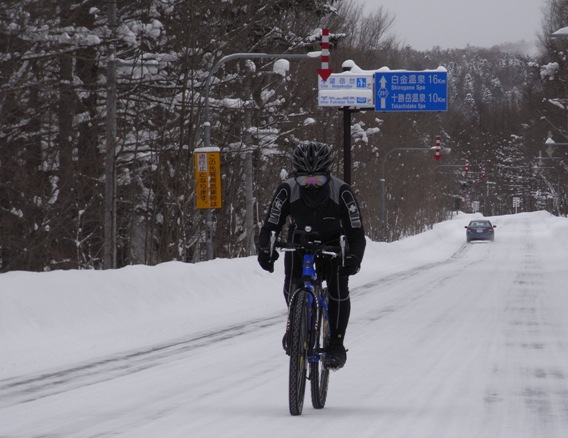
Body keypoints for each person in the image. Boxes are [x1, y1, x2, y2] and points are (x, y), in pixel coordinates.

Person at [257, 141, 366, 370]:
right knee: (291, 285)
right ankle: (295, 326)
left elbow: (356, 231)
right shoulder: (286, 190)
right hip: (300, 242)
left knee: (338, 288)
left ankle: (336, 342)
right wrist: (266, 250)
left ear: (328, 174)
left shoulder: (342, 191)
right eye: (305, 180)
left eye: (318, 179)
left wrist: (353, 258)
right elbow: (270, 225)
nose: (312, 185)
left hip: (332, 244)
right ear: (296, 176)